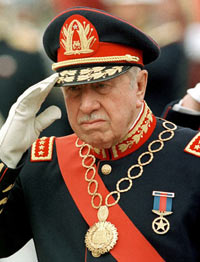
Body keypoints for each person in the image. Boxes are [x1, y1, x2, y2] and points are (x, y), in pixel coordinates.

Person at [0, 6, 199, 262]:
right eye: (74, 90)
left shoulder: (191, 160)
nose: (87, 106)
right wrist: (6, 159)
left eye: (101, 86)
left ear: (139, 86)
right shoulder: (43, 164)